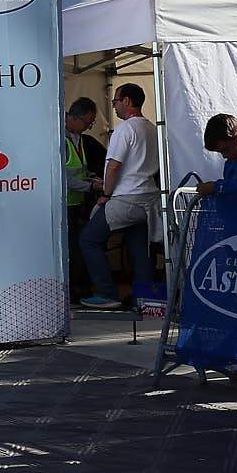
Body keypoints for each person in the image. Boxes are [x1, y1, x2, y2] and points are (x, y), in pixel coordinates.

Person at [79, 84, 159, 312]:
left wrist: (105, 194)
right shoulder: (152, 128)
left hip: (127, 197)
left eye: (115, 101)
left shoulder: (124, 130)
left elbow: (113, 167)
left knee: (89, 239)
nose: (113, 106)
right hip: (148, 198)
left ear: (126, 100)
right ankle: (144, 300)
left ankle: (106, 293)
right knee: (139, 248)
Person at [62, 99, 106, 299]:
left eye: (91, 123)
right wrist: (91, 185)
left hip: (79, 203)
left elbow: (79, 169)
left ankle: (82, 287)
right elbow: (66, 179)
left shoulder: (79, 138)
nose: (89, 127)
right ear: (73, 117)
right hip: (65, 205)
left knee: (81, 246)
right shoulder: (59, 139)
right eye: (87, 123)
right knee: (73, 249)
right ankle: (74, 291)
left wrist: (91, 176)